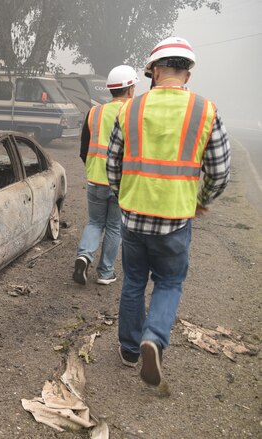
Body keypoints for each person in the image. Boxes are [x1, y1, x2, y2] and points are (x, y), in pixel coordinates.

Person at [106, 37, 231, 386]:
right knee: (170, 281)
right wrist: (201, 200)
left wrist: (122, 193)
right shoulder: (205, 110)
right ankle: (154, 337)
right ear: (187, 74)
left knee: (133, 281)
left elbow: (112, 164)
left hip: (132, 216)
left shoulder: (130, 108)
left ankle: (130, 350)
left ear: (155, 71)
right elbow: (220, 170)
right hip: (176, 218)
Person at [73, 65, 139, 286]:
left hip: (95, 179)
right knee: (113, 226)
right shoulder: (134, 113)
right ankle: (105, 272)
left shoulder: (95, 112)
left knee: (94, 222)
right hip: (122, 182)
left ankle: (84, 255)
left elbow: (84, 149)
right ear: (130, 89)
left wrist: (93, 167)